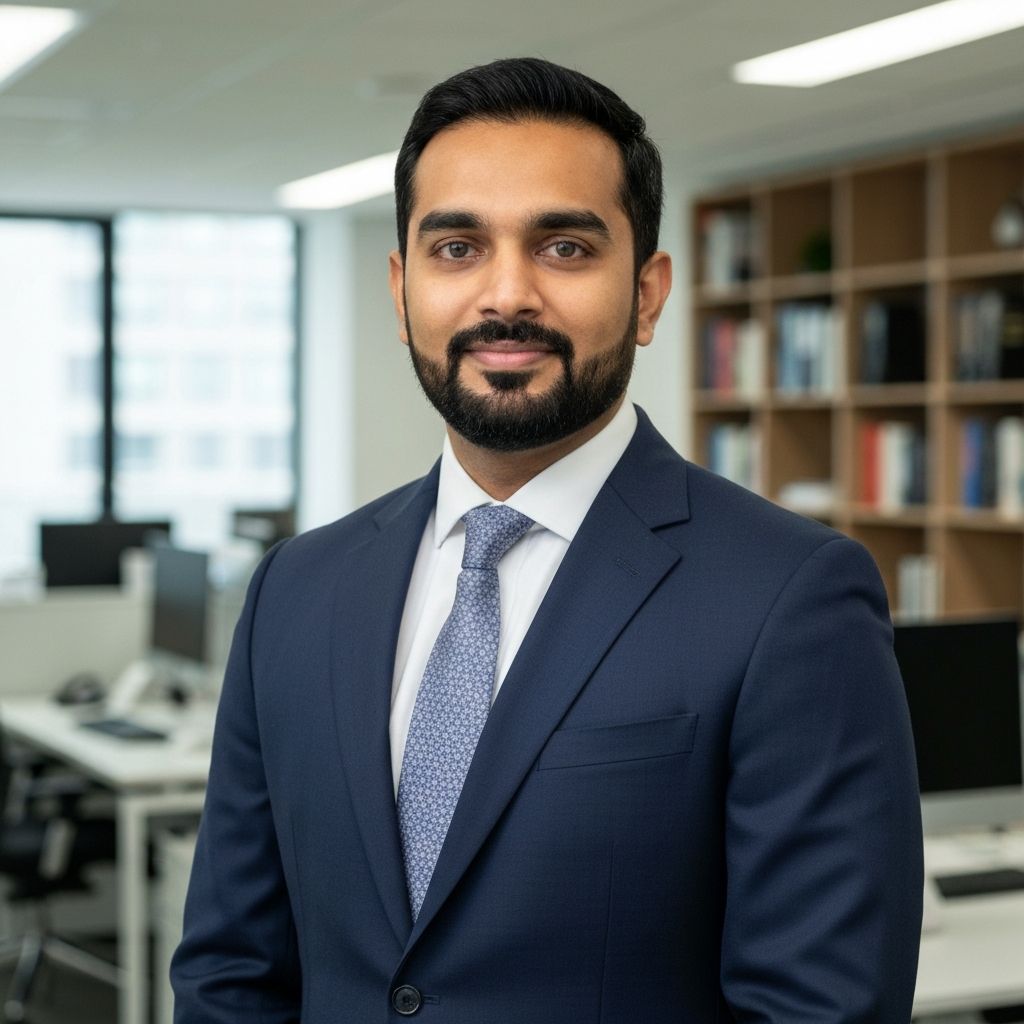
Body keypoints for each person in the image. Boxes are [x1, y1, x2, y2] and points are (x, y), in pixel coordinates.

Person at [171, 57, 923, 1023]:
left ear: (648, 295)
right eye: (456, 249)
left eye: (565, 247)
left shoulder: (791, 596)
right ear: (401, 291)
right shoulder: (297, 589)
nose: (507, 294)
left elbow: (824, 1009)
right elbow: (231, 972)